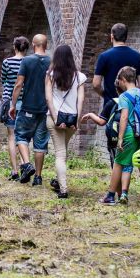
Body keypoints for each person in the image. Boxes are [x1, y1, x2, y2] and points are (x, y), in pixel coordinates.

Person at [98, 67, 140, 206]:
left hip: (130, 133)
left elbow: (123, 117)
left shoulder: (124, 96)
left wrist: (120, 138)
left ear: (123, 80)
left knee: (119, 163)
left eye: (120, 81)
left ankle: (111, 196)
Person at [45, 44, 86, 199]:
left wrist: (55, 118)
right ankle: (57, 181)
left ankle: (63, 188)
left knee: (60, 153)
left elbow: (48, 98)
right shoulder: (79, 77)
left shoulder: (50, 74)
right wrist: (77, 119)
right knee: (63, 150)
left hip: (55, 117)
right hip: (71, 119)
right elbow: (80, 100)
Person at [10, 34, 51, 186]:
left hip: (28, 106)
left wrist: (13, 105)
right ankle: (38, 178)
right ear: (46, 45)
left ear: (33, 45)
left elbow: (19, 84)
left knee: (21, 136)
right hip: (45, 108)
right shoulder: (51, 61)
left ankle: (27, 165)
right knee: (40, 144)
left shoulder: (27, 61)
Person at [93, 22, 140, 107]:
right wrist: (130, 94)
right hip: (130, 104)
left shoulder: (104, 56)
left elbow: (96, 84)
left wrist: (106, 95)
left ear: (112, 37)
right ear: (126, 37)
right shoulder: (136, 55)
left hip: (111, 104)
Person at [0, 36, 30, 181]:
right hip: (25, 103)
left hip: (10, 102)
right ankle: (26, 164)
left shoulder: (7, 62)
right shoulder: (29, 62)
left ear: (14, 47)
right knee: (23, 136)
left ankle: (14, 170)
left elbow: (4, 80)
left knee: (11, 137)